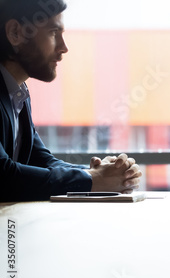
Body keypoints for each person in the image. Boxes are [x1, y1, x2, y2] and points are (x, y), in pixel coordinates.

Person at [0, 0, 142, 202]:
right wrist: (93, 179)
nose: (63, 47)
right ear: (15, 33)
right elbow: (3, 176)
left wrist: (102, 173)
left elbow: (40, 160)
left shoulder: (17, 93)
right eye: (52, 33)